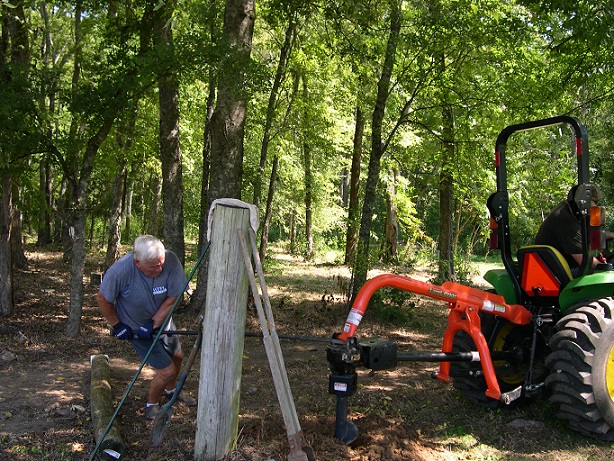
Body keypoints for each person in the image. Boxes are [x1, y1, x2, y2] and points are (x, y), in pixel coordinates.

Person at [97, 235, 196, 420]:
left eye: (161, 263)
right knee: (167, 372)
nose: (159, 269)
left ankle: (171, 391)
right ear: (137, 262)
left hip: (162, 323)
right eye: (153, 267)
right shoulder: (120, 271)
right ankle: (151, 406)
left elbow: (174, 296)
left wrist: (153, 322)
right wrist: (117, 325)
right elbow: (103, 299)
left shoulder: (171, 261)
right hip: (135, 329)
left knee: (178, 357)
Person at [535, 185, 614, 276]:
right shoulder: (565, 219)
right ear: (581, 202)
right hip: (557, 273)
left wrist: (611, 235)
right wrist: (607, 270)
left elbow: (590, 235)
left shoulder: (569, 210)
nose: (594, 207)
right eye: (591, 203)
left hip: (564, 265)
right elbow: (588, 263)